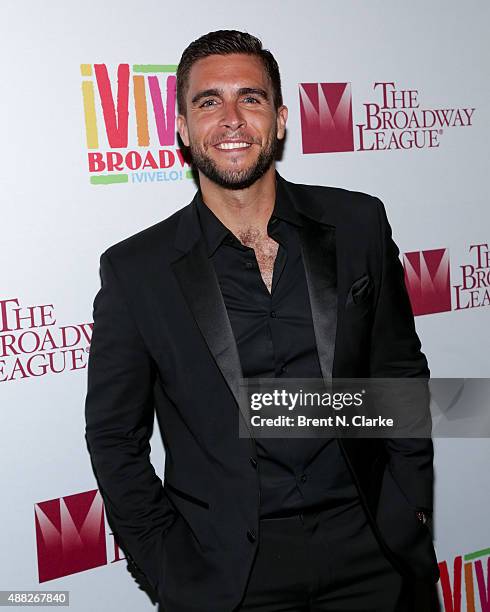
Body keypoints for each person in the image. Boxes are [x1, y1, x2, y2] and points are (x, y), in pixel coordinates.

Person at [85, 30, 440, 612]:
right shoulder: (136, 271)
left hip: (372, 551)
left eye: (249, 99)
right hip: (230, 576)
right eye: (208, 102)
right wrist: (168, 566)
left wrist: (412, 504)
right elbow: (114, 437)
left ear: (278, 120)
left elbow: (399, 372)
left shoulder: (358, 224)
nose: (230, 119)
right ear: (181, 127)